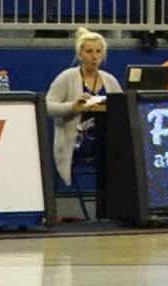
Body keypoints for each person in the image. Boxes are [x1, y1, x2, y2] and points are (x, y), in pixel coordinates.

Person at [45, 27, 121, 187]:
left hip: (105, 138)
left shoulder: (110, 80)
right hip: (77, 141)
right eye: (89, 51)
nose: (94, 56)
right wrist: (73, 106)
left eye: (98, 51)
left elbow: (122, 108)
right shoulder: (67, 77)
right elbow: (48, 107)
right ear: (80, 54)